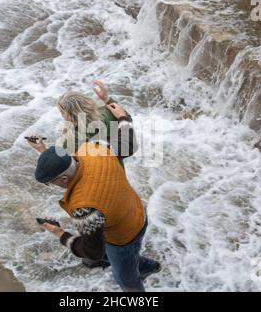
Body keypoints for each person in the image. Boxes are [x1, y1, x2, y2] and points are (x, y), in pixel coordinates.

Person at [28, 121, 161, 292]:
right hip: (136, 211)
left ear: (63, 180)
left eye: (50, 182)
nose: (51, 184)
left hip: (124, 236)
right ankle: (149, 266)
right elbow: (127, 145)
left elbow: (93, 253)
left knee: (125, 279)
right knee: (125, 257)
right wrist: (45, 153)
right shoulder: (93, 149)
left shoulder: (84, 208)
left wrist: (59, 233)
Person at [57, 80, 135, 166]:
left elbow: (67, 170)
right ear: (87, 101)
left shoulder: (70, 143)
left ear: (66, 116)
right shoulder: (107, 114)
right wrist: (107, 99)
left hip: (95, 177)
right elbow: (126, 119)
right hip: (116, 172)